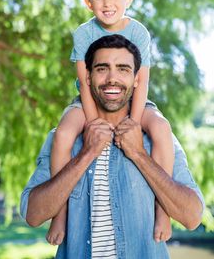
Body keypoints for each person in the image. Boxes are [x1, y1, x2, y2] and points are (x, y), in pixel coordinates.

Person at [21, 35, 204, 259]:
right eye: (102, 68)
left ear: (137, 79)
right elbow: (33, 214)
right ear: (87, 77)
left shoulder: (157, 139)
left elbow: (192, 216)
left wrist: (138, 153)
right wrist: (87, 153)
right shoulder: (64, 138)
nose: (112, 78)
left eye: (123, 69)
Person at [47, 0, 174, 246]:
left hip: (133, 100)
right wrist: (94, 123)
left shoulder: (138, 32)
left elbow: (141, 82)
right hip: (88, 101)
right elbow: (84, 81)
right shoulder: (83, 34)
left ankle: (163, 210)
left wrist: (134, 121)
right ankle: (59, 212)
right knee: (65, 132)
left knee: (161, 128)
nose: (108, 2)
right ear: (88, 2)